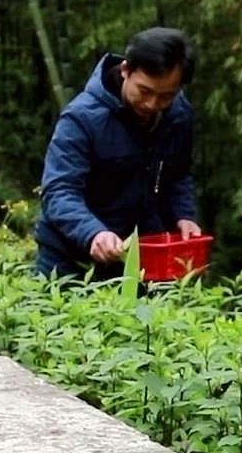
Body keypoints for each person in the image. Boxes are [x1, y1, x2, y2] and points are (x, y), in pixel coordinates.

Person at [33, 27, 204, 277]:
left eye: (166, 96)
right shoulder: (81, 118)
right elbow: (59, 191)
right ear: (126, 70)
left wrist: (184, 216)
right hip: (71, 258)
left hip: (141, 257)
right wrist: (93, 232)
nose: (152, 104)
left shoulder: (178, 116)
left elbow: (178, 174)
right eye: (144, 91)